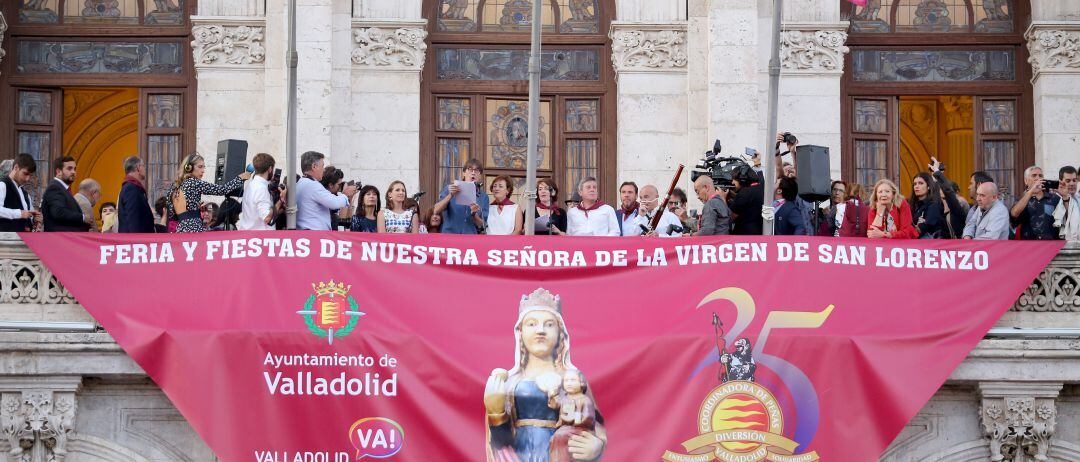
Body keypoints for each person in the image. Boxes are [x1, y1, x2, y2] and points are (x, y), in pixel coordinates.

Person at [484, 288, 606, 462]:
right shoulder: (509, 382)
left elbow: (595, 423)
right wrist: (496, 412)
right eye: (532, 324)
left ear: (560, 334)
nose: (540, 331)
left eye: (549, 324)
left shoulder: (573, 379)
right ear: (520, 332)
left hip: (561, 453)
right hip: (519, 456)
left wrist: (597, 445)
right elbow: (500, 443)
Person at [166, 153, 249, 233]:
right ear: (189, 167)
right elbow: (222, 190)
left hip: (180, 229)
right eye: (200, 167)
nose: (203, 171)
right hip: (194, 229)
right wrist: (240, 178)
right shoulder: (194, 182)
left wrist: (193, 209)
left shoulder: (174, 186)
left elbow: (171, 213)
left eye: (203, 167)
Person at [433, 159, 489, 234]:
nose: (473, 173)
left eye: (476, 170)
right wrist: (450, 195)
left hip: (469, 237)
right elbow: (436, 210)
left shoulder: (483, 197)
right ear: (464, 173)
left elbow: (481, 224)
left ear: (480, 175)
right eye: (470, 169)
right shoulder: (450, 188)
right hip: (449, 235)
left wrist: (473, 214)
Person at [41, 156, 91, 232]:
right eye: (69, 168)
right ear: (58, 172)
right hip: (60, 240)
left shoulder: (63, 188)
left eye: (74, 169)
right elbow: (59, 212)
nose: (73, 172)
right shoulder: (54, 188)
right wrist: (83, 218)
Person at [1010, 166, 1060, 240]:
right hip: (1029, 246)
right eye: (1034, 175)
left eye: (1040, 176)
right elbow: (1014, 214)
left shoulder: (1054, 198)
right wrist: (1030, 192)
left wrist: (1065, 196)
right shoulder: (1021, 199)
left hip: (1051, 245)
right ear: (1026, 181)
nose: (1038, 178)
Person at [239, 153, 283, 231]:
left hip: (250, 234)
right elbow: (267, 218)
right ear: (270, 169)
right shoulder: (261, 188)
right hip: (260, 237)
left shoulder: (251, 185)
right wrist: (281, 200)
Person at [0, 154, 41, 232]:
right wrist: (19, 213)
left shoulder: (25, 193)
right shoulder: (2, 185)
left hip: (23, 240)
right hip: (6, 241)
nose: (27, 179)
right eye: (25, 174)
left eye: (30, 175)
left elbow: (26, 218)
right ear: (16, 167)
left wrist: (34, 220)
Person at [117, 156, 155, 233]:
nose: (145, 169)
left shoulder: (132, 187)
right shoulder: (131, 188)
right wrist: (137, 241)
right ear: (138, 167)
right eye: (143, 166)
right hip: (136, 241)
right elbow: (133, 220)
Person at [910, 172, 945, 239]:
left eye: (920, 183)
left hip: (929, 245)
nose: (916, 186)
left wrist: (920, 226)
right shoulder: (912, 205)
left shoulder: (934, 205)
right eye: (915, 184)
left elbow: (922, 229)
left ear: (928, 186)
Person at [729, 170, 764, 235]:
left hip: (744, 235)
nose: (732, 182)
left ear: (742, 180)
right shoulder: (762, 188)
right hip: (760, 232)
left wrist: (722, 198)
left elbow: (731, 217)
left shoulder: (744, 192)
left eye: (734, 179)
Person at [1053, 166, 1079, 241]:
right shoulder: (1055, 199)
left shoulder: (1078, 198)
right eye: (1068, 181)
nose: (1072, 183)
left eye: (1074, 180)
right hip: (1063, 245)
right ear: (1060, 182)